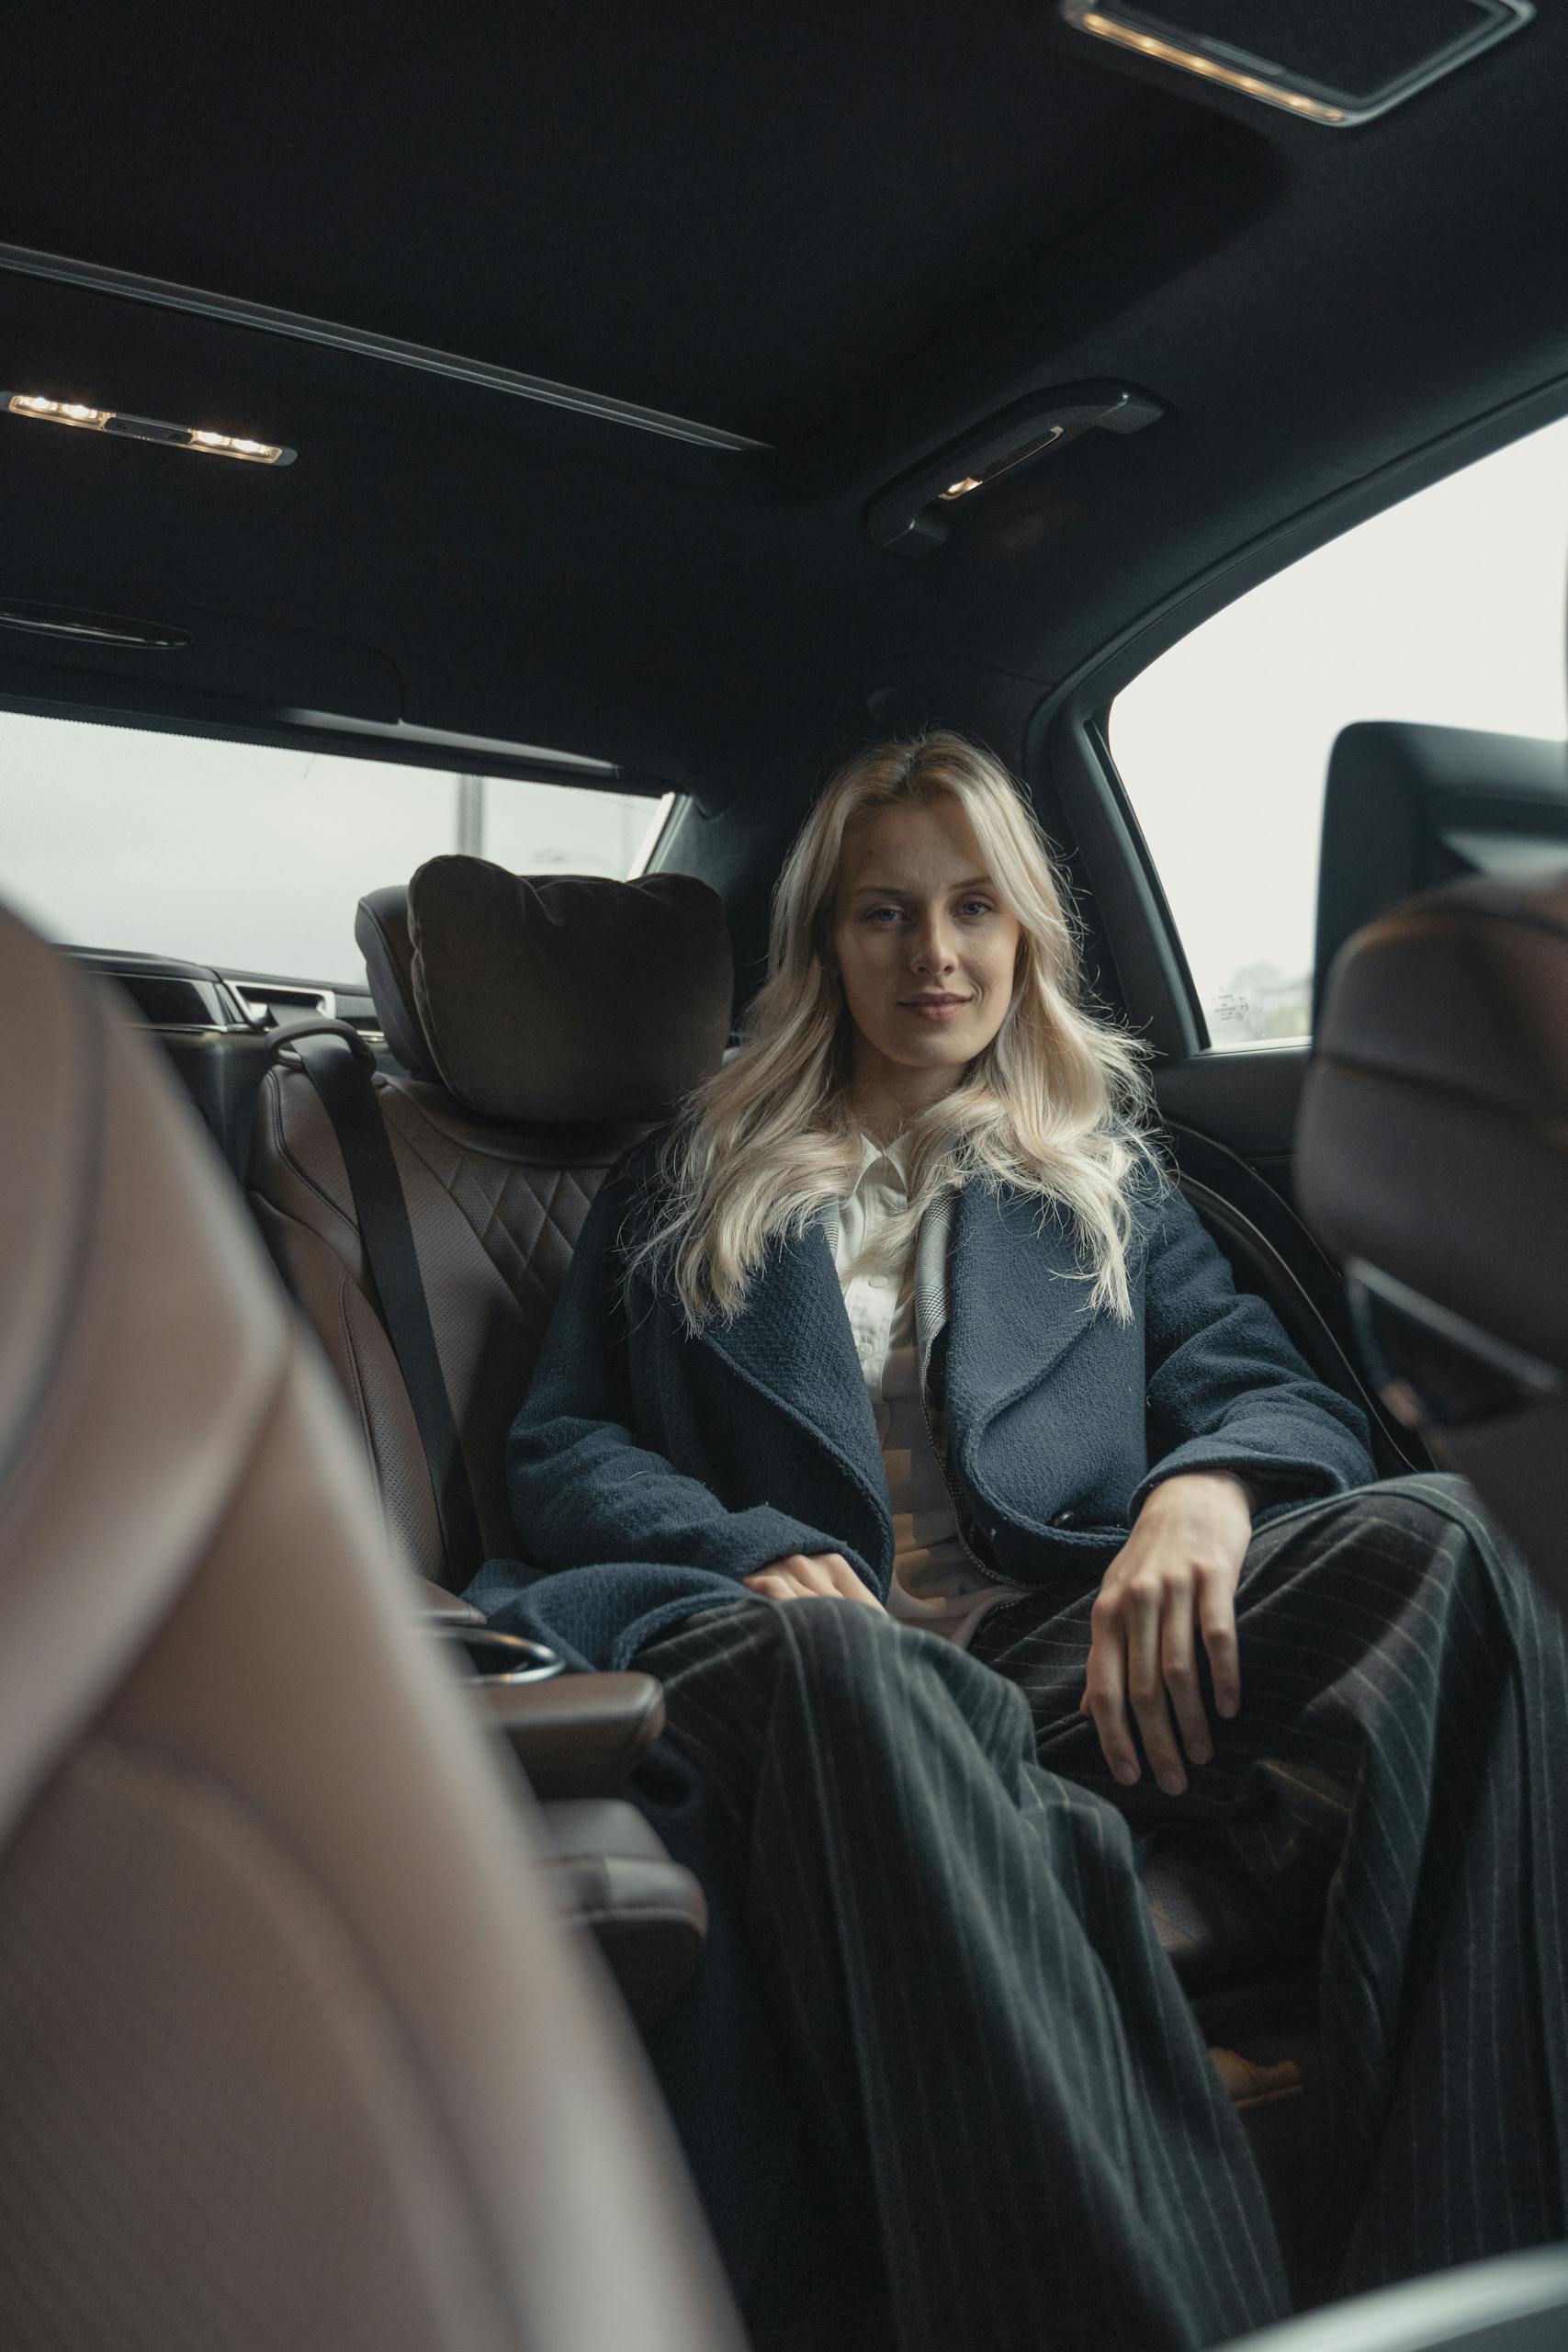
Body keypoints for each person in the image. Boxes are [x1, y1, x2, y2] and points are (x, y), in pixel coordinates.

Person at [470, 732, 1568, 2352]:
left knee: (1459, 1541)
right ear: (824, 946)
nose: (936, 955)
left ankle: (1465, 2271)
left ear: (1027, 935)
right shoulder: (681, 1180)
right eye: (885, 914)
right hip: (818, 1664)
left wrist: (1213, 1489)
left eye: (975, 909)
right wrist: (736, 1545)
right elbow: (561, 1446)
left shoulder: (1103, 1178)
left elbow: (1261, 1386)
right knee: (857, 1672)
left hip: (1067, 1659)